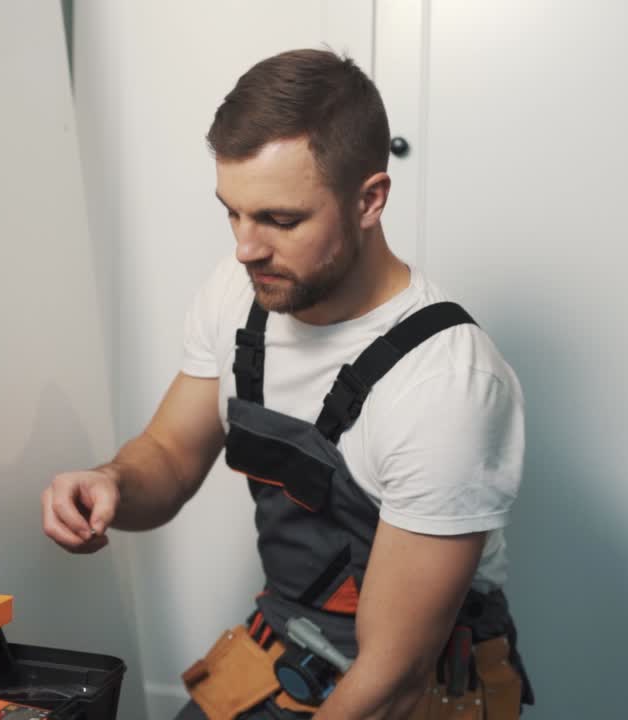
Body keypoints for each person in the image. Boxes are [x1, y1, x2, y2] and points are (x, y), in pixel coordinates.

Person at [41, 49, 532, 719]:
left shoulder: (446, 385)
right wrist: (112, 484)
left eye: (279, 220)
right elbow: (168, 455)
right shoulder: (240, 293)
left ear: (369, 200)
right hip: (287, 646)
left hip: (407, 686)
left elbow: (393, 678)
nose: (246, 248)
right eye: (232, 213)